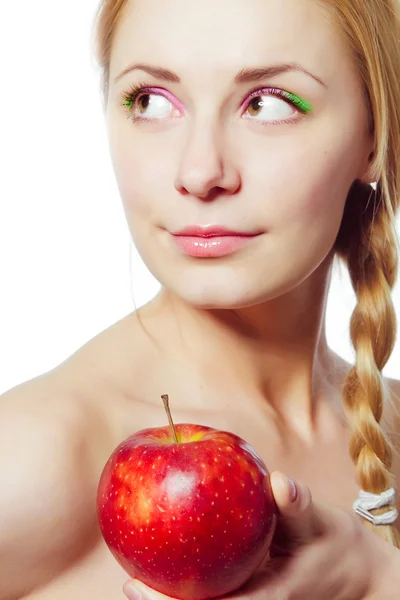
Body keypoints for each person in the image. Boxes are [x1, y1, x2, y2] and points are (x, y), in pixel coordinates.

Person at [1, 0, 400, 598]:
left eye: (266, 103)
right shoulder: (34, 462)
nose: (199, 171)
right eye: (151, 101)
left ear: (374, 135)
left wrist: (378, 578)